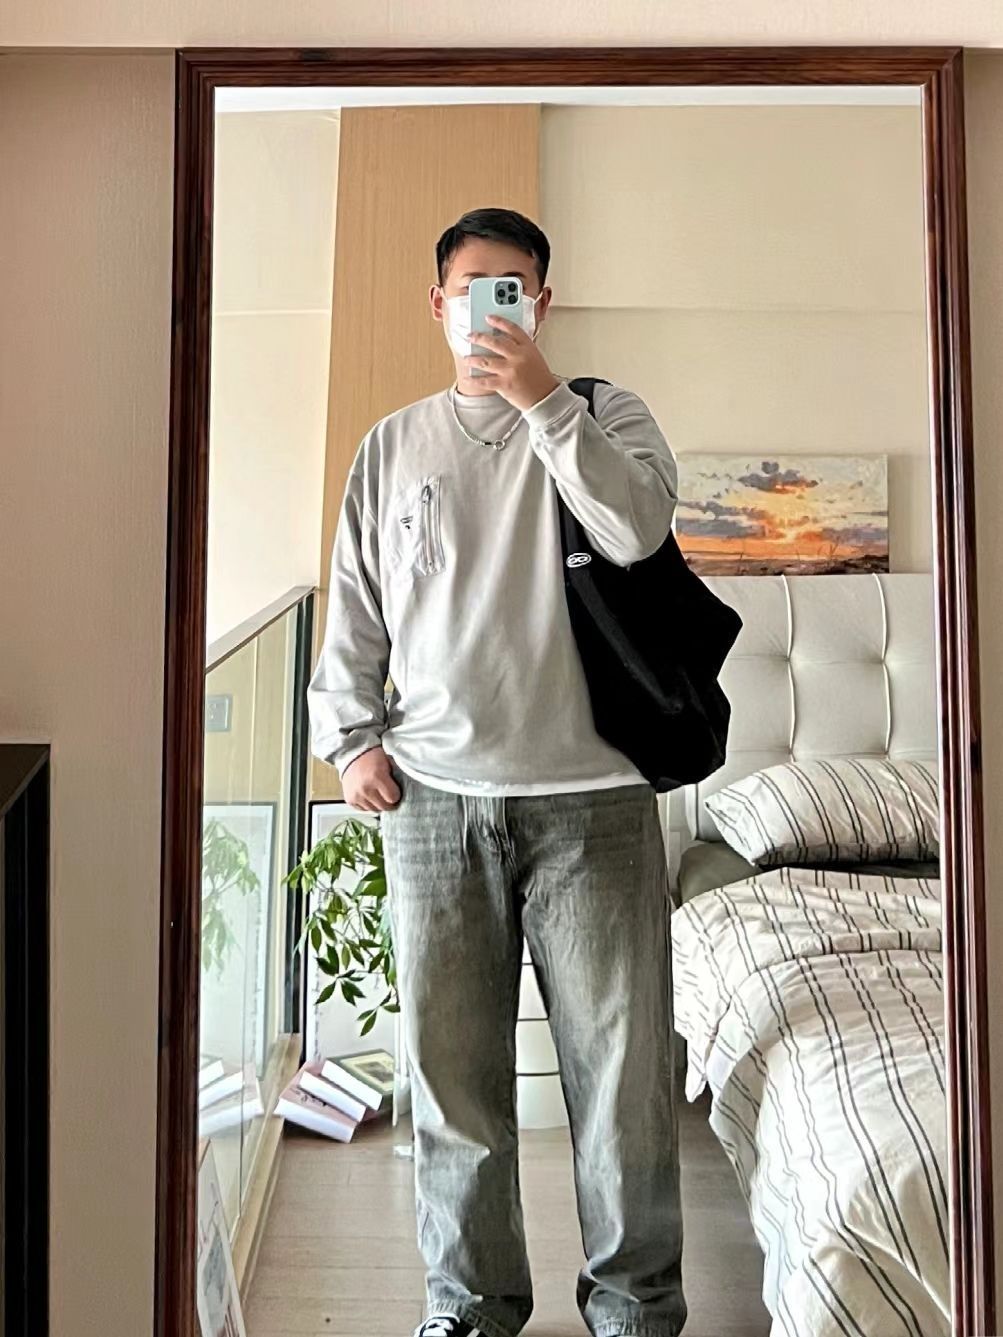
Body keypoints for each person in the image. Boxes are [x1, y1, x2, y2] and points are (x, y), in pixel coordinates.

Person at [308, 207, 685, 1337]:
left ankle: (635, 1307)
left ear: (543, 302)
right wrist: (351, 740)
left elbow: (636, 532)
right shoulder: (391, 445)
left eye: (512, 288)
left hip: (594, 799)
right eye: (472, 289)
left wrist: (540, 400)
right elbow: (355, 609)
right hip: (431, 801)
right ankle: (469, 1304)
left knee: (621, 1084)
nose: (491, 309)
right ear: (438, 305)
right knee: (450, 1077)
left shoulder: (604, 414)